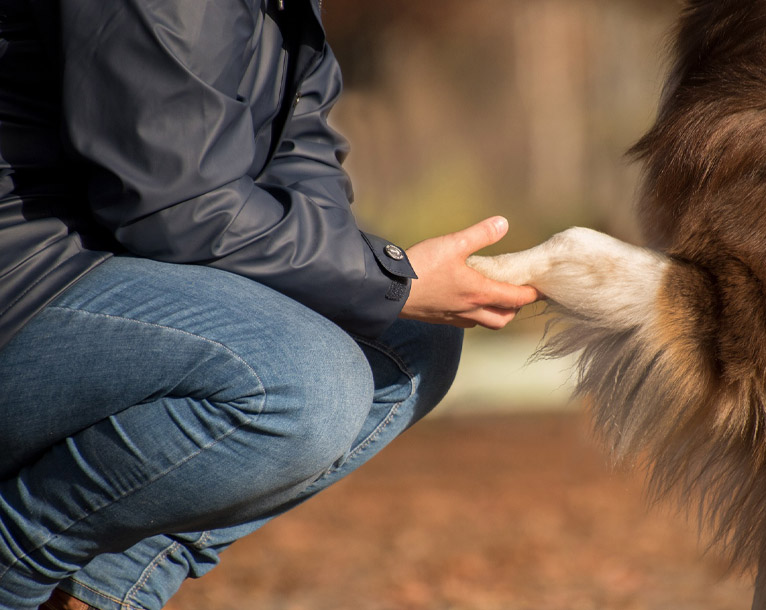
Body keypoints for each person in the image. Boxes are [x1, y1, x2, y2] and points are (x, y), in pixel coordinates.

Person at [0, 0, 539, 608]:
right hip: (25, 284)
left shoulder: (283, 10)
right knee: (303, 382)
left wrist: (383, 284)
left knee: (407, 341)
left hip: (102, 264)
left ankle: (96, 592)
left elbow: (299, 163)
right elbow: (177, 209)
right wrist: (395, 283)